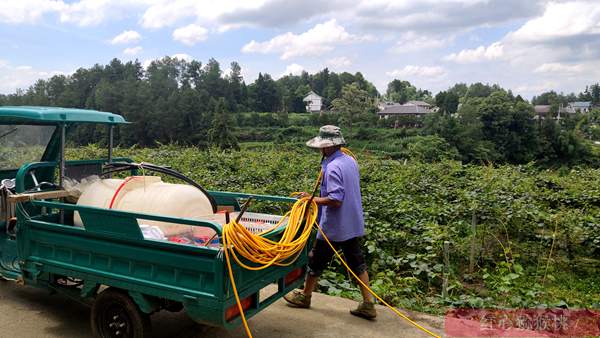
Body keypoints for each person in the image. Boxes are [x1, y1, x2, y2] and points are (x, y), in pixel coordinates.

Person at [283, 125, 377, 320]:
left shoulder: (333, 167)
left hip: (334, 226)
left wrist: (311, 199)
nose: (320, 150)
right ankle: (368, 304)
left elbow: (335, 199)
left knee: (316, 260)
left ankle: (305, 296)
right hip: (351, 222)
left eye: (321, 147)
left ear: (326, 147)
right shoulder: (349, 160)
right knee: (357, 262)